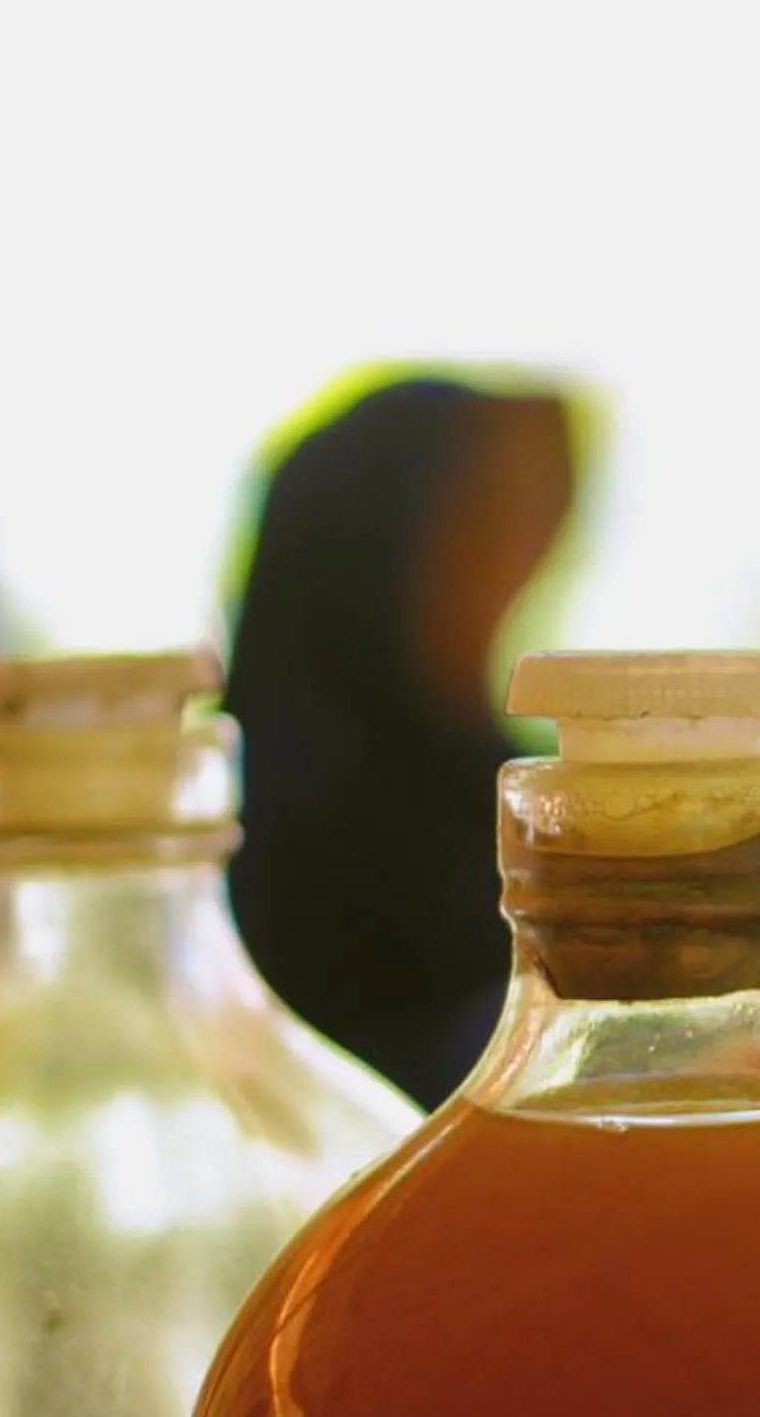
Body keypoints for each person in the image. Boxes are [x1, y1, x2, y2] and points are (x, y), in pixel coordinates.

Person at [225, 374, 578, 1108]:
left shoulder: (521, 796)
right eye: (482, 525)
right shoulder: (238, 832)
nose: (513, 567)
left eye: (538, 524)